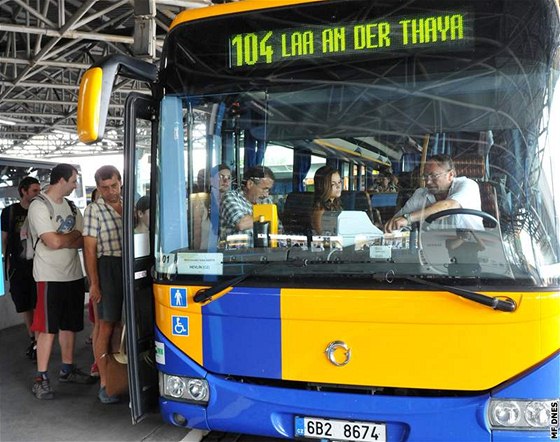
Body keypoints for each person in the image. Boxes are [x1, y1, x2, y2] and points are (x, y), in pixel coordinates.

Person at [28, 163, 95, 400]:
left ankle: (67, 368)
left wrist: (63, 238)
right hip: (49, 277)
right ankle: (41, 377)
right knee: (47, 329)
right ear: (62, 180)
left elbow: (81, 241)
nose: (76, 185)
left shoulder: (71, 206)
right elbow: (52, 242)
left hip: (73, 275)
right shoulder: (39, 206)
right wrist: (69, 237)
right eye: (74, 180)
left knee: (70, 325)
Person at [83, 165, 124, 404]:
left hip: (130, 266)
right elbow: (89, 249)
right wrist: (94, 284)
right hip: (107, 267)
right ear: (98, 188)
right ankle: (105, 383)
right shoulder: (93, 210)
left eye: (114, 186)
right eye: (105, 188)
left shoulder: (130, 204)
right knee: (105, 326)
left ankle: (123, 377)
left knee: (123, 325)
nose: (111, 192)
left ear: (120, 182)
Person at [384, 154, 484, 233]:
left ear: (450, 175)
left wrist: (408, 218)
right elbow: (399, 219)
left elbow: (448, 206)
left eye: (433, 176)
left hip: (472, 245)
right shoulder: (421, 193)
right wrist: (394, 225)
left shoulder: (468, 185)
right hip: (435, 248)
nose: (428, 182)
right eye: (425, 176)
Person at [1, 176, 41, 359]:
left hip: (38, 264)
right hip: (19, 266)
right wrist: (7, 263)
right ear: (23, 191)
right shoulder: (10, 212)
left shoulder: (39, 209)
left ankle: (40, 340)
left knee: (38, 302)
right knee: (25, 305)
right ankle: (33, 339)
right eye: (34, 191)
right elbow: (5, 239)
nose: (37, 194)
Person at [220, 165, 276, 241]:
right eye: (264, 189)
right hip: (238, 252)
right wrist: (266, 216)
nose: (266, 194)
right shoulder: (230, 198)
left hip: (265, 251)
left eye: (268, 190)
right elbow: (241, 224)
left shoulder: (266, 201)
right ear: (250, 184)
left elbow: (277, 228)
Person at [311, 165, 342, 235]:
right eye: (333, 184)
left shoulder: (335, 205)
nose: (338, 186)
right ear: (322, 186)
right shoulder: (319, 210)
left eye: (339, 182)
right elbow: (322, 235)